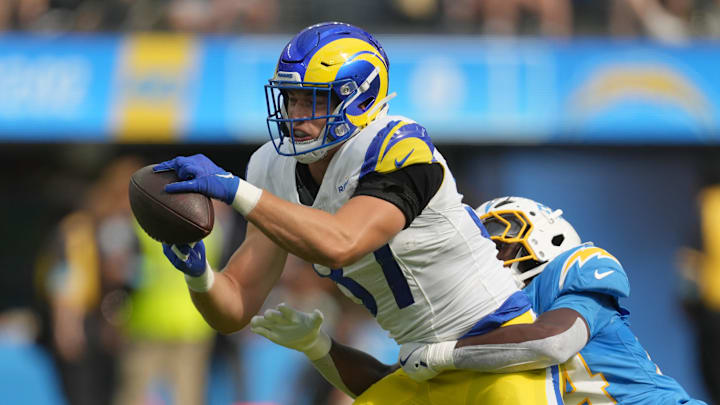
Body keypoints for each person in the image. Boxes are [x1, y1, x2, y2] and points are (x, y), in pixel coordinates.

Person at [154, 22, 562, 404]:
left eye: (312, 98)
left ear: (360, 97)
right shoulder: (270, 168)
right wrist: (201, 277)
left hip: (497, 351)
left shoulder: (398, 147)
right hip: (418, 367)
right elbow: (235, 307)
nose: (296, 115)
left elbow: (341, 242)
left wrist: (233, 190)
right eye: (291, 98)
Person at [252, 196, 708, 404]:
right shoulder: (474, 327)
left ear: (544, 234)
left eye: (497, 240)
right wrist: (319, 347)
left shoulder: (572, 269)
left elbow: (555, 340)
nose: (487, 254)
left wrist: (443, 355)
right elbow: (392, 386)